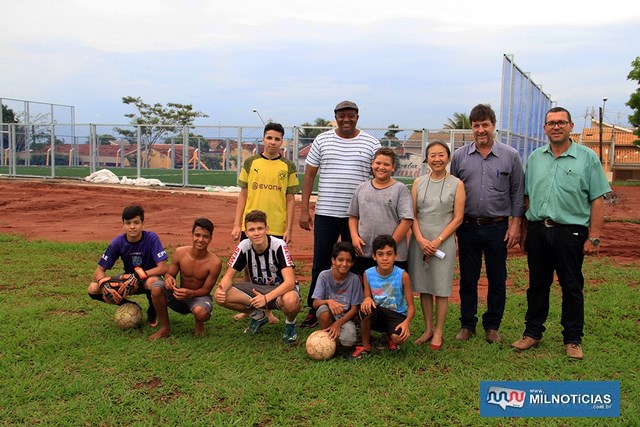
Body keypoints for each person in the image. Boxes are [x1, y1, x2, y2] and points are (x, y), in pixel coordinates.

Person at [511, 107, 611, 360]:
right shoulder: (535, 158)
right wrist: (524, 231)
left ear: (570, 126)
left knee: (572, 286)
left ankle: (573, 339)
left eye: (561, 122)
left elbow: (598, 199)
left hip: (570, 233)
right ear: (545, 128)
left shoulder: (587, 158)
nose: (556, 127)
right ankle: (532, 332)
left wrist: (594, 236)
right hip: (537, 231)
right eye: (551, 123)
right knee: (537, 286)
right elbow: (526, 197)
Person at [299, 100, 381, 328]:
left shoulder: (371, 143)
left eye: (351, 115)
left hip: (356, 217)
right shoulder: (322, 140)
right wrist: (304, 209)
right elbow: (308, 176)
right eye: (342, 115)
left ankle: (353, 309)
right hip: (326, 212)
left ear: (357, 116)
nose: (346, 119)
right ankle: (314, 308)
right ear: (335, 117)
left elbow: (377, 178)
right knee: (321, 262)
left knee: (355, 263)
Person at [450, 103, 525, 344]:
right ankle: (467, 324)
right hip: (468, 226)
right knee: (468, 278)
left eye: (485, 125)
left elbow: (517, 193)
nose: (481, 130)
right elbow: (452, 193)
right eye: (476, 126)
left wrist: (515, 225)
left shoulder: (510, 156)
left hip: (497, 227)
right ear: (471, 128)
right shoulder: (460, 156)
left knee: (496, 278)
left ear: (494, 126)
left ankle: (492, 326)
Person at [230, 122, 299, 324]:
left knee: (272, 270)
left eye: (277, 139)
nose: (273, 142)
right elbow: (243, 194)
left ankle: (268, 310)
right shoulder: (251, 163)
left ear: (282, 142)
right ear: (263, 139)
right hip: (251, 226)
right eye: (269, 138)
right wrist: (237, 224)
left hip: (275, 226)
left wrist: (288, 228)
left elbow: (290, 198)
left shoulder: (288, 166)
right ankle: (248, 306)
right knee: (248, 267)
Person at [408, 141, 466, 350]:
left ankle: (439, 330)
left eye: (441, 155)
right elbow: (412, 215)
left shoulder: (457, 184)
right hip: (420, 240)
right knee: (423, 286)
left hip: (444, 241)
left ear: (448, 158)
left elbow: (458, 218)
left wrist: (438, 240)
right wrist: (421, 240)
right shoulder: (418, 182)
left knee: (440, 287)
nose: (437, 159)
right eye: (432, 155)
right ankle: (428, 328)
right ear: (427, 159)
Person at [215, 210, 301, 344]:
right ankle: (258, 316)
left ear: (267, 229)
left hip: (280, 290)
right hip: (257, 290)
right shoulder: (244, 246)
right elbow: (228, 277)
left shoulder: (279, 245)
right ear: (246, 232)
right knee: (221, 295)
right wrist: (221, 289)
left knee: (290, 300)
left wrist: (266, 298)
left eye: (260, 228)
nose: (256, 233)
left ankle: (290, 325)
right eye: (251, 230)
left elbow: (290, 282)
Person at [87, 205, 168, 326]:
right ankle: (129, 305)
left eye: (136, 222)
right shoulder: (117, 243)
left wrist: (139, 275)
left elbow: (163, 268)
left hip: (147, 279)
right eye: (128, 223)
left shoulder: (152, 238)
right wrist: (103, 283)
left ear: (142, 223)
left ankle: (153, 310)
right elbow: (99, 271)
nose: (132, 226)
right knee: (93, 289)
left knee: (153, 283)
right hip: (128, 282)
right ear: (123, 225)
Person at [148, 218, 222, 341]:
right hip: (178, 294)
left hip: (198, 297)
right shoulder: (180, 252)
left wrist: (190, 293)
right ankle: (165, 327)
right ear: (192, 235)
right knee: (156, 288)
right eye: (197, 235)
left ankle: (199, 322)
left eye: (205, 237)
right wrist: (169, 279)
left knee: (201, 313)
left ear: (210, 239)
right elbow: (169, 274)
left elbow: (206, 289)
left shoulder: (214, 263)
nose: (200, 240)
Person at [348, 235, 415, 360]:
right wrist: (367, 299)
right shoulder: (368, 274)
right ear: (374, 256)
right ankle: (365, 346)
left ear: (396, 256)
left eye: (389, 254)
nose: (385, 258)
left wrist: (406, 323)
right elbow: (367, 296)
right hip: (378, 313)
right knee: (365, 307)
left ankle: (390, 337)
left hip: (397, 315)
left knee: (398, 338)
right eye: (380, 254)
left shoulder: (403, 275)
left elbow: (411, 306)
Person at [348, 147, 413, 276]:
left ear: (393, 167)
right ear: (372, 164)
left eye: (386, 164)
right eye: (378, 163)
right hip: (365, 252)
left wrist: (389, 248)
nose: (381, 167)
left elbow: (406, 221)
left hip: (392, 256)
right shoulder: (361, 188)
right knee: (365, 291)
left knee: (391, 292)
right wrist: (355, 237)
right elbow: (353, 216)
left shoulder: (400, 189)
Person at [311, 242, 363, 351]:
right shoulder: (324, 276)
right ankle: (328, 339)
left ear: (352, 263)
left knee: (348, 342)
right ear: (333, 260)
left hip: (345, 317)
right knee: (323, 311)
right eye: (340, 260)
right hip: (328, 313)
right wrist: (329, 301)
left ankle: (339, 336)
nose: (344, 264)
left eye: (348, 261)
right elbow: (315, 303)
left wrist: (338, 324)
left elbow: (355, 308)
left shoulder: (354, 280)